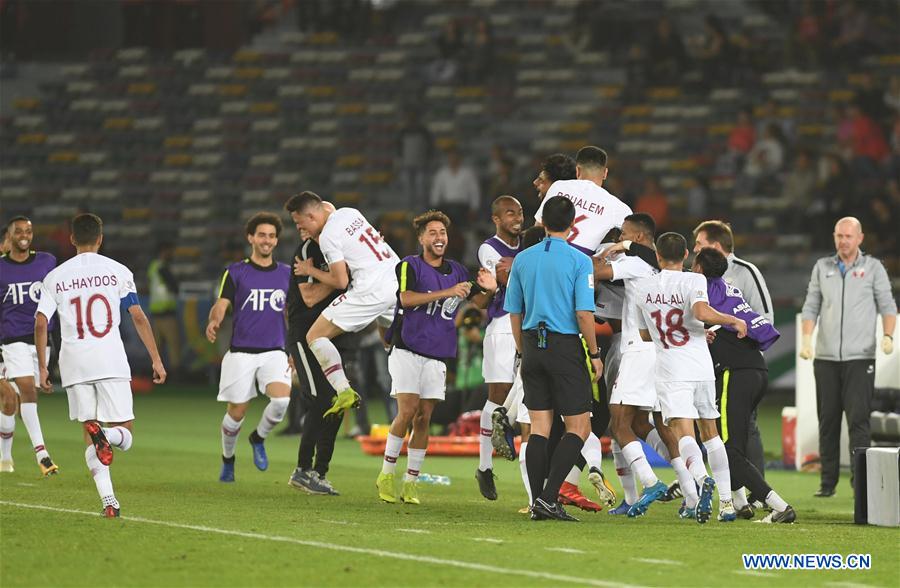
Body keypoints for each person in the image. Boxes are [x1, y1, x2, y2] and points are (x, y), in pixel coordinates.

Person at [34, 213, 166, 517]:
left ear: (72, 239)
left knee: (89, 432)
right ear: (100, 239)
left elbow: (41, 322)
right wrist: (156, 359)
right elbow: (137, 316)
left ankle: (109, 501)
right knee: (126, 434)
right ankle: (107, 436)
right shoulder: (117, 271)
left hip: (74, 364)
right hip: (110, 359)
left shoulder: (55, 277)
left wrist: (42, 367)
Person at [377, 210, 496, 504]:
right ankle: (386, 474)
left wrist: (491, 288)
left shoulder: (458, 270)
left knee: (424, 417)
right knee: (407, 411)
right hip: (406, 346)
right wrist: (447, 292)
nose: (439, 237)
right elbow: (406, 298)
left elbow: (479, 301)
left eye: (442, 232)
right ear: (421, 238)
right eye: (432, 232)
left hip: (438, 352)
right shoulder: (410, 265)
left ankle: (411, 481)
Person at [632, 232, 747, 523]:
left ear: (657, 255)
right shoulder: (694, 280)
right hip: (700, 366)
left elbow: (644, 334)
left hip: (671, 369)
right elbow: (700, 311)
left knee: (684, 432)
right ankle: (726, 504)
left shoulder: (642, 287)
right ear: (685, 255)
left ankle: (701, 477)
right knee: (711, 434)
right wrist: (731, 319)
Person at [504, 196, 602, 522]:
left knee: (539, 428)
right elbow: (584, 313)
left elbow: (514, 312)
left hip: (532, 345)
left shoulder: (522, 259)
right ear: (573, 224)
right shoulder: (580, 261)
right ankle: (548, 498)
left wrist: (522, 350)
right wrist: (594, 353)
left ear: (543, 223)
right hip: (563, 346)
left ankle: (537, 502)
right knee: (579, 427)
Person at [593, 214, 698, 516]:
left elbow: (596, 271)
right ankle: (691, 489)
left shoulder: (636, 263)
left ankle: (650, 482)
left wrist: (592, 251)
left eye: (623, 234)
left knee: (618, 424)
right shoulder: (660, 266)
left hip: (637, 350)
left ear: (638, 237)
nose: (619, 239)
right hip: (661, 350)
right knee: (648, 424)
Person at [693, 247, 796, 523]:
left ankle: (778, 505)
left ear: (700, 268)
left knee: (726, 449)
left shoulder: (703, 291)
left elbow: (697, 315)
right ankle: (739, 502)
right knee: (730, 443)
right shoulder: (729, 289)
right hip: (755, 370)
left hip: (734, 372)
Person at [799, 217, 896, 497]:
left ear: (860, 238)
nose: (843, 241)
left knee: (858, 422)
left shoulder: (873, 268)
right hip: (826, 359)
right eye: (839, 236)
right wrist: (807, 340)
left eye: (848, 236)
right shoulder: (822, 267)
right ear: (834, 237)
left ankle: (861, 484)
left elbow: (888, 307)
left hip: (860, 358)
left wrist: (888, 336)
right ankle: (827, 484)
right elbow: (811, 307)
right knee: (827, 421)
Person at [291, 191, 398, 418]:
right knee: (392, 342)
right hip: (395, 280)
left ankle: (343, 390)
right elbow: (327, 207)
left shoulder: (328, 237)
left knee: (315, 336)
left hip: (370, 289)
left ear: (311, 216)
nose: (300, 229)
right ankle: (409, 387)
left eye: (300, 224)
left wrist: (310, 270)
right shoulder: (350, 213)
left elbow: (340, 281)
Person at [206, 213, 293, 483]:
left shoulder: (287, 273)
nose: (267, 240)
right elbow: (222, 304)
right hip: (241, 352)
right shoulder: (235, 272)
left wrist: (294, 348)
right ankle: (228, 459)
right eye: (261, 235)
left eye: (271, 236)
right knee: (236, 413)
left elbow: (291, 314)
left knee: (281, 401)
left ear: (276, 240)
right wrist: (214, 321)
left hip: (275, 350)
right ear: (251, 238)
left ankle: (258, 437)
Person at [692, 219, 770, 502]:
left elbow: (763, 315)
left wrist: (740, 336)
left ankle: (760, 495)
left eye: (699, 244)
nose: (695, 250)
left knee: (736, 436)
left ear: (714, 247)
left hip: (738, 366)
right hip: (730, 366)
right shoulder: (708, 280)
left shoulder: (745, 272)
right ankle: (739, 498)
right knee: (728, 434)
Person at [284, 197, 358, 495]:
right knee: (320, 398)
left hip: (334, 333)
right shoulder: (307, 251)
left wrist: (328, 275)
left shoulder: (340, 247)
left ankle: (320, 472)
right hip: (306, 335)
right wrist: (340, 277)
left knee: (338, 401)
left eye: (301, 222)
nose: (300, 228)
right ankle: (302, 470)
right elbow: (311, 298)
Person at [472, 195, 523, 500]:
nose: (517, 218)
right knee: (498, 394)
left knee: (524, 393)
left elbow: (511, 275)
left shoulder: (526, 246)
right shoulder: (489, 248)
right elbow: (502, 278)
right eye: (510, 213)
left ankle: (508, 430)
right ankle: (484, 466)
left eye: (520, 212)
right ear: (496, 219)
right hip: (502, 323)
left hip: (525, 322)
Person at [0, 215, 59, 475]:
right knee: (24, 392)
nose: (24, 235)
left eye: (28, 231)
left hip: (41, 340)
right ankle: (42, 454)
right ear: (10, 235)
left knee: (15, 401)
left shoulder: (47, 262)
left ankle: (4, 457)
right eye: (19, 231)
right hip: (11, 340)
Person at [534, 146, 632, 256]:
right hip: (581, 261)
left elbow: (537, 228)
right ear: (605, 173)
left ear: (577, 170)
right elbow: (636, 239)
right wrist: (609, 250)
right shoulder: (616, 206)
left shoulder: (558, 186)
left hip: (546, 253)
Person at [147, 242, 180, 378]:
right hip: (167, 314)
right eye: (169, 251)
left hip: (156, 314)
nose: (171, 254)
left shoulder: (153, 267)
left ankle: (155, 376)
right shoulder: (162, 267)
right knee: (173, 347)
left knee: (156, 348)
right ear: (163, 251)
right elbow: (174, 287)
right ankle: (176, 377)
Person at [0, 226, 17, 472]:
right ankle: (5, 459)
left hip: (9, 344)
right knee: (9, 395)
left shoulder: (14, 274)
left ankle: (5, 457)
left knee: (10, 399)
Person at [429, 148, 481, 224]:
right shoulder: (442, 173)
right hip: (446, 206)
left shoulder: (468, 173)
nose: (453, 160)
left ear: (459, 158)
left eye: (455, 157)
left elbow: (474, 192)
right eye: (451, 158)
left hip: (462, 207)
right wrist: (434, 209)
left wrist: (474, 209)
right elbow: (436, 191)